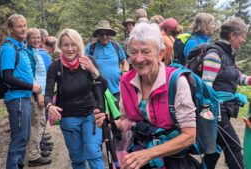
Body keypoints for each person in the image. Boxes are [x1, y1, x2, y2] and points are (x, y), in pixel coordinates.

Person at [95, 22, 199, 169]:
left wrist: (149, 153)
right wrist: (109, 121)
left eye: (146, 52)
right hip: (140, 158)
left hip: (172, 161)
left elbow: (189, 135)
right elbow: (127, 122)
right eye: (133, 52)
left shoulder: (176, 82)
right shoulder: (126, 81)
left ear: (160, 53)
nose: (138, 59)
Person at [45, 28, 105, 169]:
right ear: (60, 46)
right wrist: (49, 106)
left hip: (91, 115)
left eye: (73, 44)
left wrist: (94, 71)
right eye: (66, 45)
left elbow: (104, 87)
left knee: (93, 153)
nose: (70, 49)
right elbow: (47, 93)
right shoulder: (55, 67)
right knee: (77, 159)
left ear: (79, 45)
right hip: (68, 118)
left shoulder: (88, 61)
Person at [202, 17, 251, 169]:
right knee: (234, 146)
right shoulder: (214, 55)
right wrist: (208, 114)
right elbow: (206, 87)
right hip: (217, 111)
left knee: (214, 150)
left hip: (225, 109)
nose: (244, 39)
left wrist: (249, 80)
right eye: (243, 35)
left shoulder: (228, 54)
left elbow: (234, 76)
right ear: (233, 36)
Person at [0, 14, 41, 169]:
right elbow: (7, 77)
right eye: (19, 26)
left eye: (25, 25)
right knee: (19, 137)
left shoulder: (20, 47)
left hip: (24, 98)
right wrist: (31, 87)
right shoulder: (8, 49)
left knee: (25, 136)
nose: (24, 29)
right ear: (11, 29)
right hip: (17, 99)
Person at [25, 28, 51, 167]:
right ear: (27, 39)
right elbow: (32, 76)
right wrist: (39, 95)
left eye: (38, 37)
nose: (36, 40)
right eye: (33, 38)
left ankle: (37, 150)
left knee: (38, 122)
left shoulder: (34, 51)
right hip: (34, 93)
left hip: (38, 91)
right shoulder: (27, 53)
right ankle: (33, 155)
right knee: (38, 122)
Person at [85, 20, 129, 101]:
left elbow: (124, 61)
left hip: (117, 90)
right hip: (98, 92)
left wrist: (125, 72)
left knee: (119, 113)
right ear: (97, 35)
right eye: (102, 34)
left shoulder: (116, 46)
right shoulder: (90, 48)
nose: (104, 36)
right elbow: (83, 64)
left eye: (107, 34)